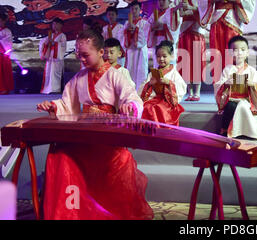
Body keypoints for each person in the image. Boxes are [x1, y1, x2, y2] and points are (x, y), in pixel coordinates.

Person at [36, 28, 153, 220]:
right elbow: (67, 104)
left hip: (108, 139)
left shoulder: (116, 75)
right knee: (59, 157)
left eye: (85, 55)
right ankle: (70, 213)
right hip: (84, 137)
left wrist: (129, 106)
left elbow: (132, 98)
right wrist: (53, 106)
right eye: (78, 55)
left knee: (119, 160)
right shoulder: (78, 78)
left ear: (101, 52)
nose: (81, 60)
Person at [199, 0, 256, 80]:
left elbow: (249, 1)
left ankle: (235, 87)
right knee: (217, 54)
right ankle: (219, 87)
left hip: (233, 22)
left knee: (234, 54)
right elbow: (203, 0)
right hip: (217, 24)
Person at [214, 36, 257, 139]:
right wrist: (226, 84)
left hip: (247, 101)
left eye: (242, 50)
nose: (239, 53)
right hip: (231, 100)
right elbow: (218, 86)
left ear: (247, 52)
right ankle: (225, 130)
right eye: (235, 50)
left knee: (242, 107)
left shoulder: (251, 71)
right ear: (230, 53)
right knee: (231, 106)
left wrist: (252, 85)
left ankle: (245, 132)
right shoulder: (227, 70)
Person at [174, 0, 207, 101]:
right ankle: (190, 92)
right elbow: (175, 12)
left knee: (197, 62)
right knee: (186, 62)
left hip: (197, 32)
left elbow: (205, 12)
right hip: (185, 33)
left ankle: (197, 92)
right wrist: (179, 9)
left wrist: (192, 9)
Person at [138, 40, 186, 126]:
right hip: (154, 99)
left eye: (164, 56)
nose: (161, 59)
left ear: (171, 56)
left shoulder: (174, 73)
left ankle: (159, 131)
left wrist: (169, 83)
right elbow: (143, 88)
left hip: (167, 102)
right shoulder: (154, 72)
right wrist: (149, 84)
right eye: (159, 56)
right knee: (146, 107)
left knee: (157, 108)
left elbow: (181, 87)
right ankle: (150, 132)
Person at [147, 0, 180, 68]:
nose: (161, 2)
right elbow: (147, 26)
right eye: (159, 0)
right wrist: (151, 27)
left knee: (169, 64)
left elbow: (175, 27)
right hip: (157, 42)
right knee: (157, 64)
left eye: (163, 0)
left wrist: (162, 25)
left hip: (167, 41)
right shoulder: (154, 14)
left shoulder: (172, 13)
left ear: (169, 1)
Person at [124, 0, 150, 90]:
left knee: (140, 71)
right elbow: (122, 37)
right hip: (131, 50)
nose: (134, 11)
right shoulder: (126, 24)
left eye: (136, 9)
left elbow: (145, 37)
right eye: (132, 9)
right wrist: (126, 31)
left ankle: (141, 91)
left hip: (140, 50)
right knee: (130, 70)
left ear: (140, 10)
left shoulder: (144, 22)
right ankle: (130, 92)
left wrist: (136, 29)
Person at [39, 18, 67, 94]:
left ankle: (55, 89)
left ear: (61, 25)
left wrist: (54, 43)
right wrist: (46, 43)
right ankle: (47, 88)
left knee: (55, 73)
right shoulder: (50, 34)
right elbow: (43, 43)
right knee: (48, 72)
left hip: (57, 57)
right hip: (50, 56)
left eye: (56, 24)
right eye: (53, 24)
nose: (54, 26)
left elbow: (63, 47)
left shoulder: (62, 36)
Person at [0, 12, 14, 94]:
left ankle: (4, 88)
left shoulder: (7, 31)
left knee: (4, 72)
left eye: (1, 21)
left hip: (3, 55)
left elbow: (8, 42)